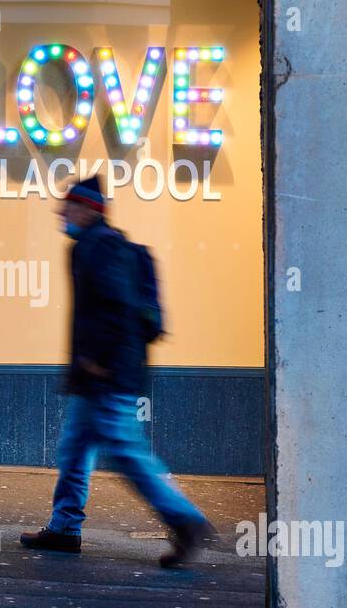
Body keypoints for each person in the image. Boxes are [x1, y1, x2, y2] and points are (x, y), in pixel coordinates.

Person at [21, 176, 214, 568]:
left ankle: (186, 519)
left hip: (106, 375)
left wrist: (97, 359)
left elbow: (117, 308)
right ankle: (64, 528)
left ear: (90, 209)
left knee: (128, 452)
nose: (61, 212)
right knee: (75, 450)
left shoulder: (100, 246)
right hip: (97, 376)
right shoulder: (97, 245)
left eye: (69, 205)